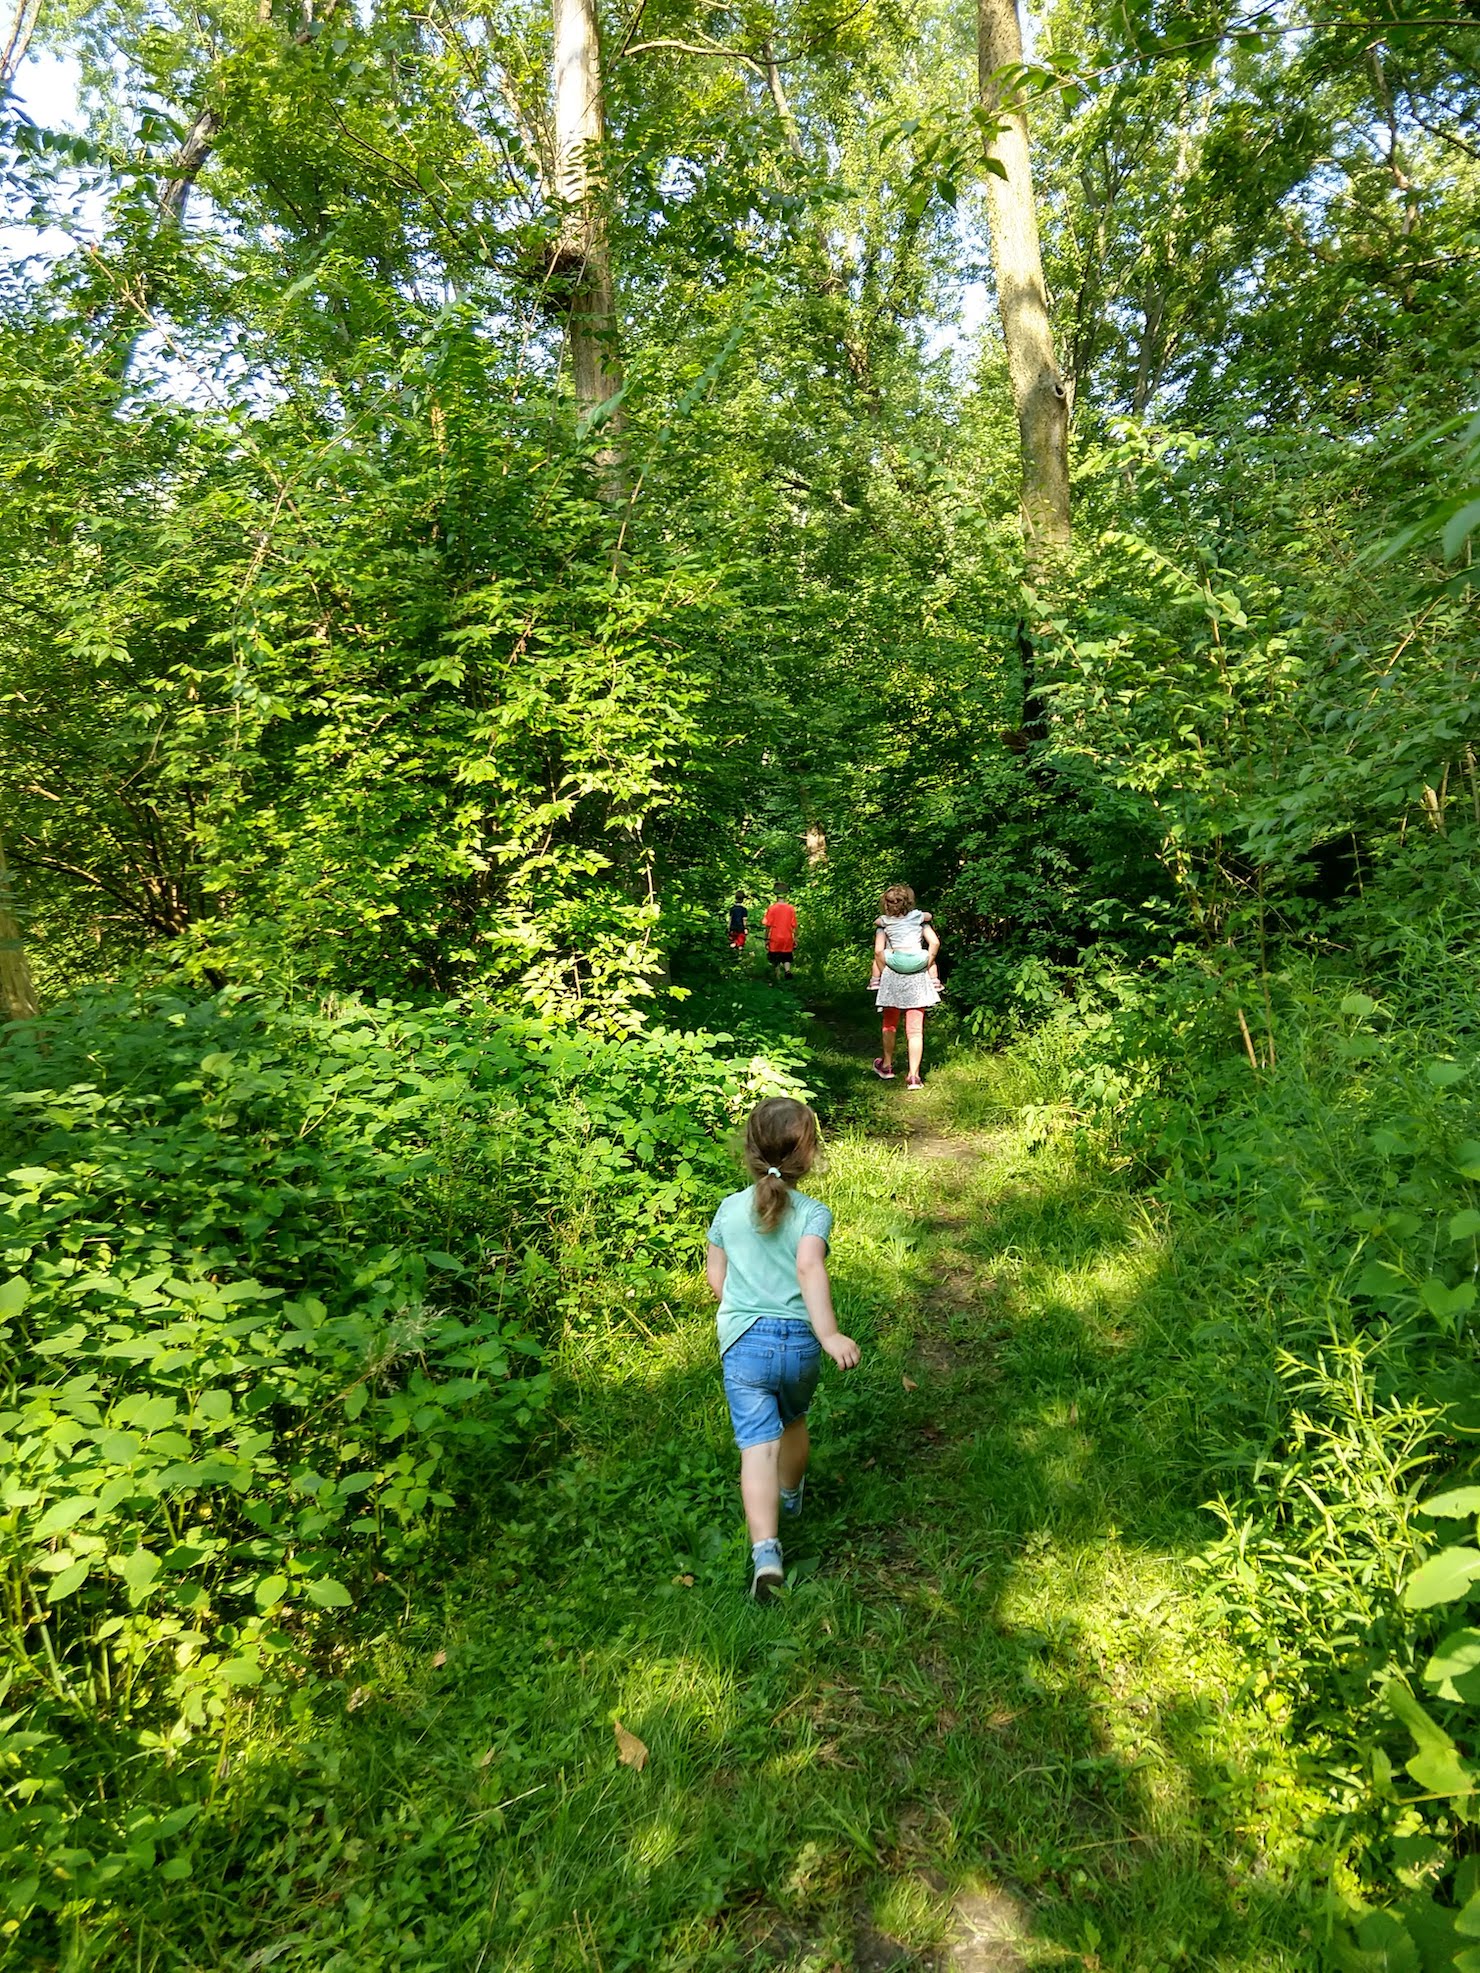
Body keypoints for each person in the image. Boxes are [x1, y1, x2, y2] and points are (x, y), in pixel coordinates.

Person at [705, 1097, 861, 1600]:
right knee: (792, 1422)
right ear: (809, 1154)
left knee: (757, 1447)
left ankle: (766, 1552)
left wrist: (744, 1306)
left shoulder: (727, 1210)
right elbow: (809, 1267)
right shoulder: (814, 1214)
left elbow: (716, 1277)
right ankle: (790, 1497)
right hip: (797, 1345)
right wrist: (829, 1333)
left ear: (749, 1149)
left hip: (744, 1343)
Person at [869, 882, 941, 1090]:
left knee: (889, 1023)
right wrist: (928, 961)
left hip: (893, 975)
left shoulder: (884, 925)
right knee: (915, 1030)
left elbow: (878, 951)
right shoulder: (920, 922)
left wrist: (883, 974)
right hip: (917, 976)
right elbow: (934, 942)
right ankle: (914, 1076)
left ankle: (887, 1065)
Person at [762, 890, 797, 978]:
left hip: (775, 937)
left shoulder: (772, 908)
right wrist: (795, 938)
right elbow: (794, 925)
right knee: (787, 956)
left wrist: (766, 938)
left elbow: (768, 925)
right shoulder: (791, 908)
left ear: (776, 897)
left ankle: (777, 975)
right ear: (785, 897)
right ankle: (787, 971)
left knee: (775, 956)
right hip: (787, 937)